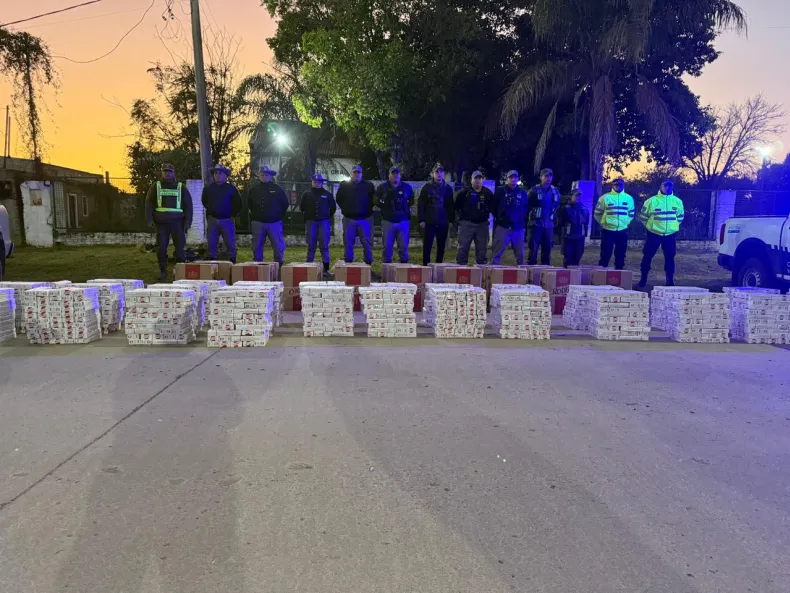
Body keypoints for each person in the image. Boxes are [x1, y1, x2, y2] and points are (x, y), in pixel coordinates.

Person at [145, 163, 193, 282]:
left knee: (180, 250)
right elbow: (149, 203)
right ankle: (163, 271)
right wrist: (149, 219)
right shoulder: (156, 186)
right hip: (161, 224)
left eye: (169, 171)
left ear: (173, 173)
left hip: (178, 223)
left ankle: (180, 273)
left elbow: (189, 206)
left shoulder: (181, 187)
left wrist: (188, 222)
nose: (167, 174)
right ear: (162, 172)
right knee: (161, 248)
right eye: (165, 171)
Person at [636, 180, 685, 288]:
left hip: (670, 235)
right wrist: (651, 227)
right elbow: (643, 217)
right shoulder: (651, 201)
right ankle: (643, 281)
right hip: (654, 234)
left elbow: (680, 217)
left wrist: (672, 227)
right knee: (647, 256)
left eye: (670, 186)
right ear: (661, 187)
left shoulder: (677, 201)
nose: (668, 188)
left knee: (670, 258)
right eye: (665, 185)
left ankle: (670, 281)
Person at [247, 165, 289, 266]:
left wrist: (277, 215)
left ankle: (278, 266)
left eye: (266, 174)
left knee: (278, 246)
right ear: (259, 176)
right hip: (258, 222)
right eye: (262, 174)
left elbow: (285, 204)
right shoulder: (254, 189)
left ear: (270, 176)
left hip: (274, 222)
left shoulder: (277, 189)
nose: (264, 176)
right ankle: (258, 266)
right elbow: (249, 204)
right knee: (256, 246)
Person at [202, 163, 242, 263]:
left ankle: (232, 261)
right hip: (212, 220)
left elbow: (238, 203)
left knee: (230, 243)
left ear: (225, 175)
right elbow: (204, 201)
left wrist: (232, 215)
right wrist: (211, 212)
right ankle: (212, 263)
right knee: (211, 243)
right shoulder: (208, 188)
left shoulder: (231, 189)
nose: (218, 174)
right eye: (216, 173)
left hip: (227, 220)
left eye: (220, 173)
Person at [336, 164, 375, 264]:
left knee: (366, 242)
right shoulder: (344, 185)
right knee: (348, 242)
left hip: (364, 219)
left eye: (359, 172)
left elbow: (373, 200)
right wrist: (347, 209)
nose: (357, 174)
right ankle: (348, 262)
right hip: (349, 219)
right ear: (351, 174)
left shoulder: (368, 185)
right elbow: (339, 199)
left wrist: (367, 211)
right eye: (355, 172)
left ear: (361, 174)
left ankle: (368, 263)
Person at [375, 165, 414, 264]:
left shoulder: (407, 187)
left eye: (397, 173)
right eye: (393, 173)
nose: (395, 175)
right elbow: (375, 200)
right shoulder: (382, 187)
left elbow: (411, 201)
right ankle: (386, 267)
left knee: (403, 246)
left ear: (400, 175)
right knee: (387, 247)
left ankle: (404, 267)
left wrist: (404, 209)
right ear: (389, 175)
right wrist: (384, 207)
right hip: (388, 221)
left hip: (403, 221)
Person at [418, 163, 455, 266]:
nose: (439, 174)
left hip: (443, 222)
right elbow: (421, 204)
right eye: (437, 172)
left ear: (444, 174)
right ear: (432, 174)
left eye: (441, 172)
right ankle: (425, 267)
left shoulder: (448, 188)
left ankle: (438, 267)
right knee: (427, 246)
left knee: (441, 247)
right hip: (429, 222)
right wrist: (421, 220)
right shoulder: (426, 187)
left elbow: (450, 206)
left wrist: (451, 220)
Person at [300, 173, 337, 276]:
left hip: (323, 222)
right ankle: (309, 267)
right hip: (310, 222)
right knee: (311, 245)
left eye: (319, 181)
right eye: (315, 181)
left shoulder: (327, 194)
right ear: (312, 182)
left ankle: (326, 269)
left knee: (324, 245)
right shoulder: (306, 194)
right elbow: (302, 207)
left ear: (322, 182)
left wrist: (325, 216)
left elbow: (333, 208)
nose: (317, 183)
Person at [594, 177, 635, 270]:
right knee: (605, 252)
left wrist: (625, 223)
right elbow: (597, 214)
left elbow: (631, 214)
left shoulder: (629, 198)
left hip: (622, 230)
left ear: (623, 185)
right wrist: (604, 223)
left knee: (621, 253)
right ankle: (602, 272)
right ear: (612, 186)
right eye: (616, 185)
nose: (618, 186)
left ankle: (619, 271)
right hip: (608, 230)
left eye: (620, 185)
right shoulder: (604, 198)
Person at [454, 170, 493, 265]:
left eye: (480, 178)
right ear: (471, 180)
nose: (478, 180)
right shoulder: (464, 193)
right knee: (463, 248)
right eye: (475, 178)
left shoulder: (488, 193)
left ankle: (480, 270)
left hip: (482, 225)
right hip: (466, 225)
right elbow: (456, 206)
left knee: (482, 250)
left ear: (482, 180)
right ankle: (461, 269)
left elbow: (493, 207)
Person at [490, 170, 529, 265]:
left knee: (520, 256)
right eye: (511, 177)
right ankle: (491, 272)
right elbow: (493, 206)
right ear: (507, 179)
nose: (513, 179)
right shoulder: (500, 191)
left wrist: (520, 218)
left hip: (518, 228)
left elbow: (526, 208)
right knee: (496, 255)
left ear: (518, 179)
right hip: (503, 227)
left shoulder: (522, 192)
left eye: (515, 177)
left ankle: (521, 273)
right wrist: (500, 218)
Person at [526, 167, 561, 265]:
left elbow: (556, 206)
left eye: (550, 176)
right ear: (541, 177)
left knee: (547, 250)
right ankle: (531, 271)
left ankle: (545, 271)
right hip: (535, 225)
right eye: (545, 176)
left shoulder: (555, 191)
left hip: (549, 226)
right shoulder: (533, 190)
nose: (548, 178)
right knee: (533, 250)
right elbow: (527, 206)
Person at [558, 189, 590, 268]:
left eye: (579, 196)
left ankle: (575, 274)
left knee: (577, 257)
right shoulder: (565, 208)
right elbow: (561, 223)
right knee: (568, 258)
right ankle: (566, 273)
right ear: (571, 196)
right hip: (568, 237)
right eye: (576, 196)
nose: (578, 198)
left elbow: (586, 223)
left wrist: (584, 234)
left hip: (579, 237)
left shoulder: (585, 209)